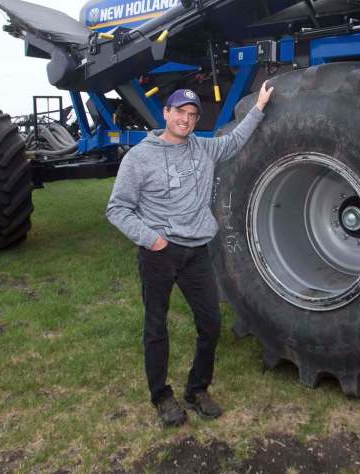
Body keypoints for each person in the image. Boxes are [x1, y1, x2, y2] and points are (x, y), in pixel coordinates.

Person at [105, 82, 274, 427]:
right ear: (166, 113)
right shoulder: (140, 157)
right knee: (156, 327)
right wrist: (152, 240)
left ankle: (197, 390)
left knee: (210, 324)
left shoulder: (203, 148)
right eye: (180, 112)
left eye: (192, 114)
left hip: (197, 252)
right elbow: (117, 208)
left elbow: (235, 141)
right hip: (159, 254)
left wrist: (258, 107)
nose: (185, 119)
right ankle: (161, 397)